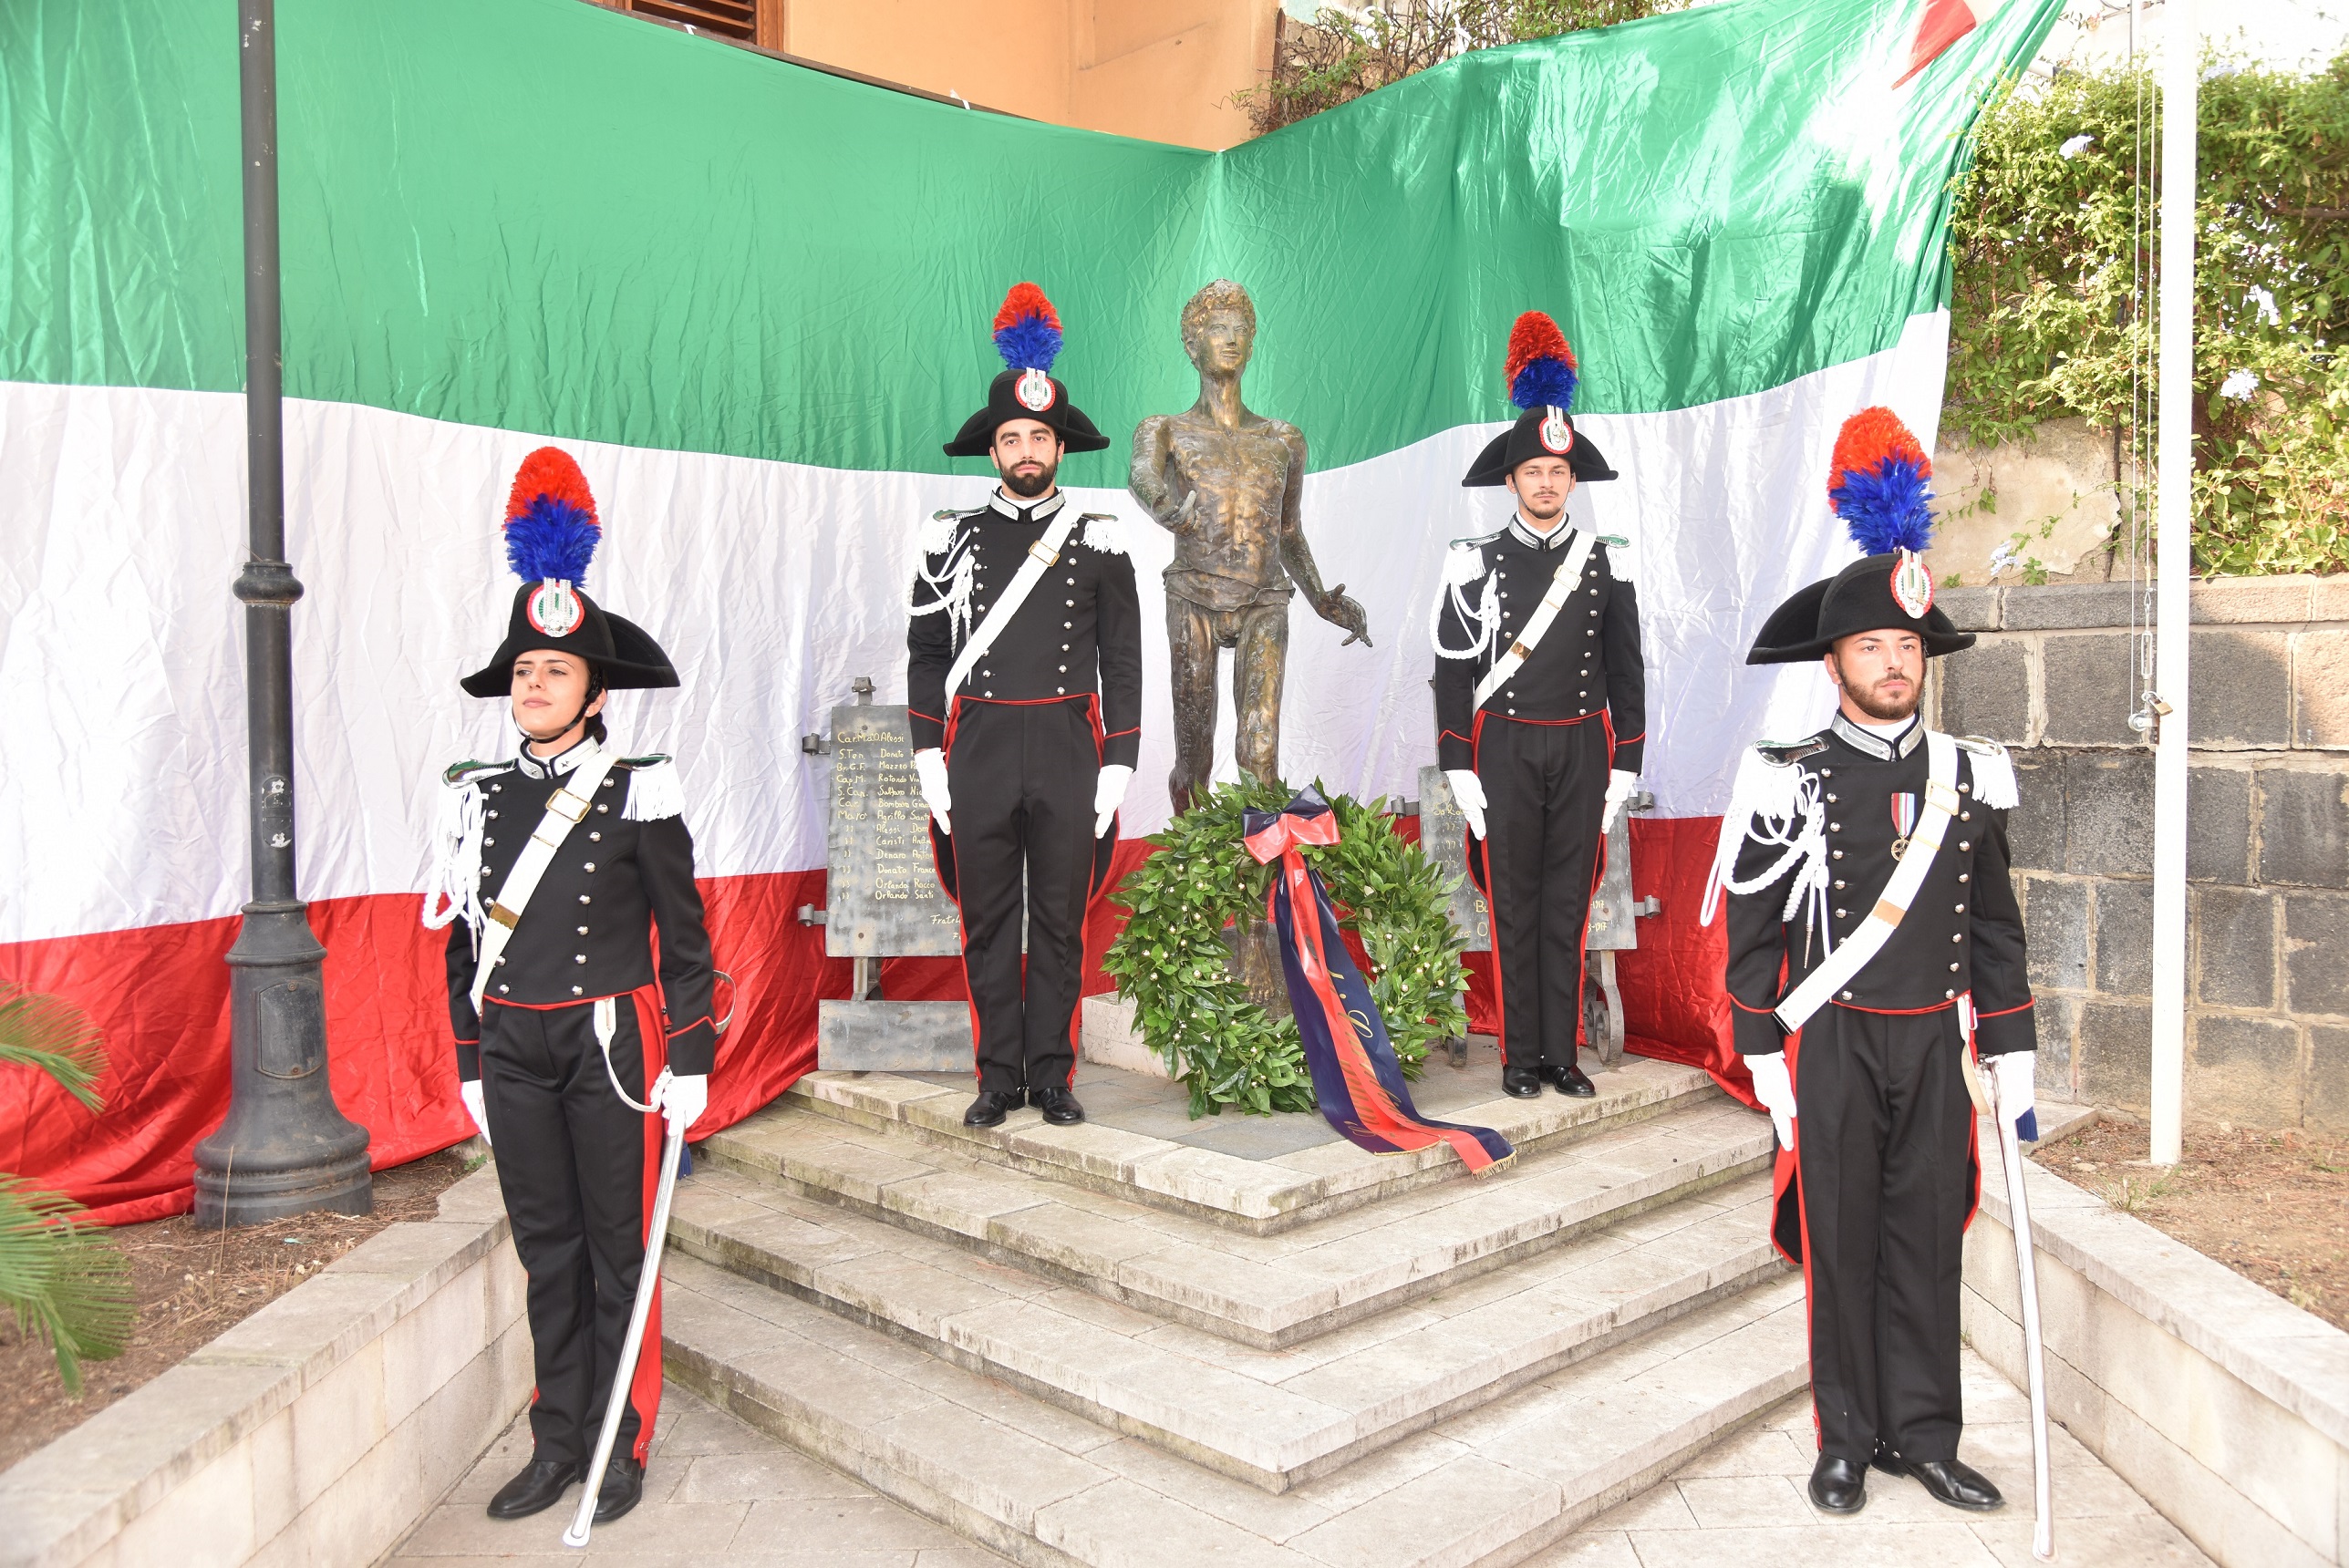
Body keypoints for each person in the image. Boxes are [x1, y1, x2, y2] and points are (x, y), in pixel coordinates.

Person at [1702, 407, 2037, 1517]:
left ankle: (1923, 1435)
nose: (1892, 665)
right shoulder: (1782, 774)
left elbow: (1990, 923)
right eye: (1870, 649)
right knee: (1840, 1245)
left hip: (1933, 1041)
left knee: (1923, 1240)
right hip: (1833, 1038)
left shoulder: (1970, 772)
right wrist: (1761, 1048)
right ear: (1834, 660)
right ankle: (1843, 1439)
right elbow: (1751, 921)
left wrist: (2014, 1043)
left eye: (1907, 648)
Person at [422, 448, 714, 1525]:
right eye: (522, 670)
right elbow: (460, 940)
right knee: (545, 1249)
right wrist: (466, 1061)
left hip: (609, 1043)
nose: (531, 684)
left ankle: (621, 1442)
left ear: (596, 690)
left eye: (552, 669)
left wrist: (690, 1059)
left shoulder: (641, 788)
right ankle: (557, 1436)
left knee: (616, 1247)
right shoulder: (476, 796)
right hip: (512, 1044)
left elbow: (687, 939)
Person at [907, 283, 1143, 1130]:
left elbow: (1123, 658)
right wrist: (928, 755)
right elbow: (929, 652)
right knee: (986, 921)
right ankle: (995, 1076)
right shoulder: (949, 536)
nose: (1026, 449)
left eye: (1038, 435)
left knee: (1058, 921)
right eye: (1011, 437)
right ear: (994, 449)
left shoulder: (1102, 534)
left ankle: (1052, 1074)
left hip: (1066, 743)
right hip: (977, 742)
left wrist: (1118, 761)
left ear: (1059, 444)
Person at [1430, 311, 1645, 1100]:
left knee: (1569, 904)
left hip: (1584, 747)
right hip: (1506, 750)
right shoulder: (1473, 562)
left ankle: (1564, 1056)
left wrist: (1627, 763)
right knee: (1513, 906)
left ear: (1572, 481)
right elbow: (1452, 669)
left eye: (1559, 473)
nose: (1547, 483)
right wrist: (1460, 764)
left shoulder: (1605, 565)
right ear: (1513, 481)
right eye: (1534, 473)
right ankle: (1522, 1058)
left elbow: (1628, 671)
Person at [1128, 278, 1370, 814]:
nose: (1231, 339)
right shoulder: (1164, 429)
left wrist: (1322, 599)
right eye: (1217, 329)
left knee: (1259, 750)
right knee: (1194, 753)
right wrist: (1163, 505)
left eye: (1241, 330)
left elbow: (1286, 532)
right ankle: (1193, 869)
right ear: (1192, 346)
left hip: (1266, 599)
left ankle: (1259, 871)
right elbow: (1142, 475)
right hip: (1194, 595)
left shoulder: (1283, 439)